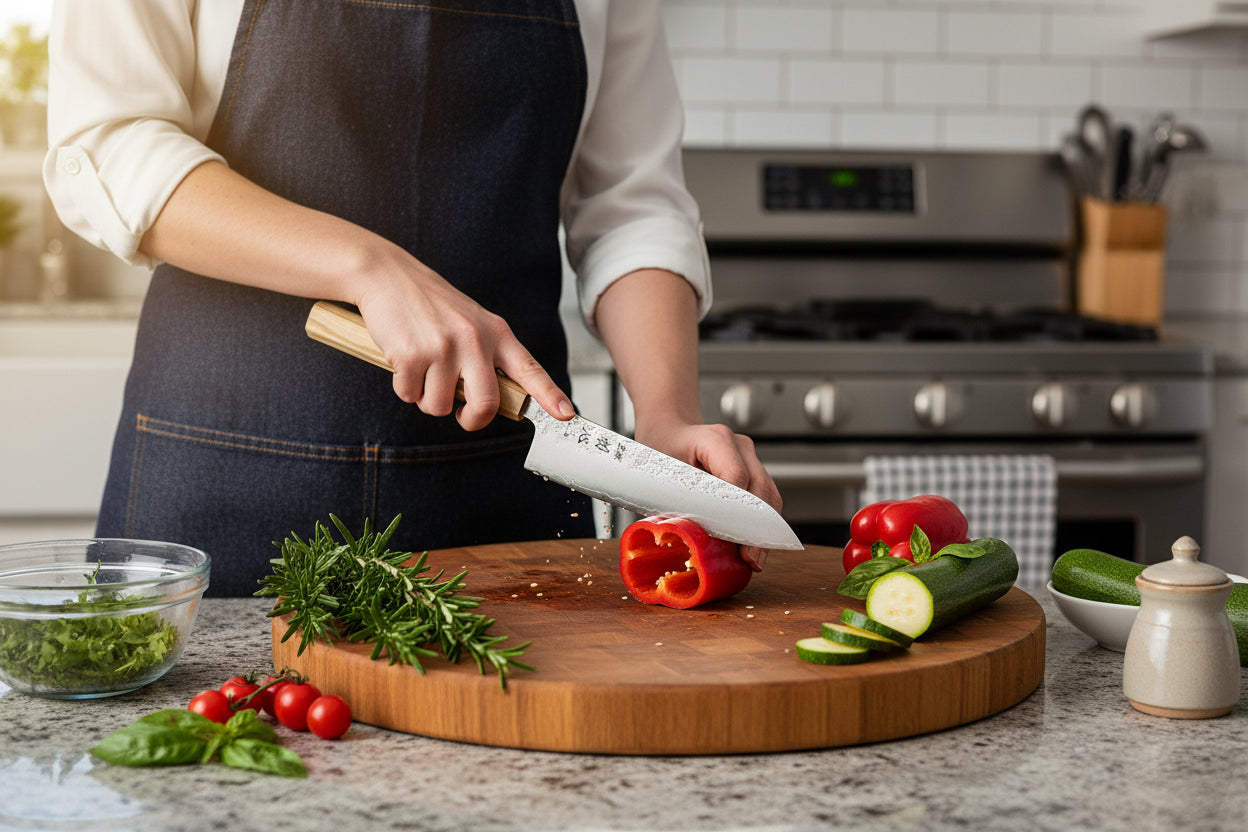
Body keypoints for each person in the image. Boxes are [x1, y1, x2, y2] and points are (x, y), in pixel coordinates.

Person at [44, 0, 783, 596]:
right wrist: (370, 267)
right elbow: (109, 144)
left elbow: (633, 205)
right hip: (217, 471)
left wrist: (665, 412)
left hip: (498, 484)